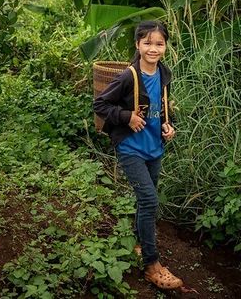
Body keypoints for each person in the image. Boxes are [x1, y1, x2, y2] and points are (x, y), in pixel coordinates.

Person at [93, 20, 183, 290]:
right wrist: (126, 117)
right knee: (149, 199)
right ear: (137, 45)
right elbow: (100, 104)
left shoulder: (164, 74)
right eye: (147, 43)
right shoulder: (128, 76)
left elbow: (162, 106)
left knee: (147, 201)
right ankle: (152, 265)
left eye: (159, 43)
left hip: (154, 147)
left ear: (165, 46)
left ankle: (138, 244)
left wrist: (169, 124)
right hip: (131, 147)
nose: (153, 48)